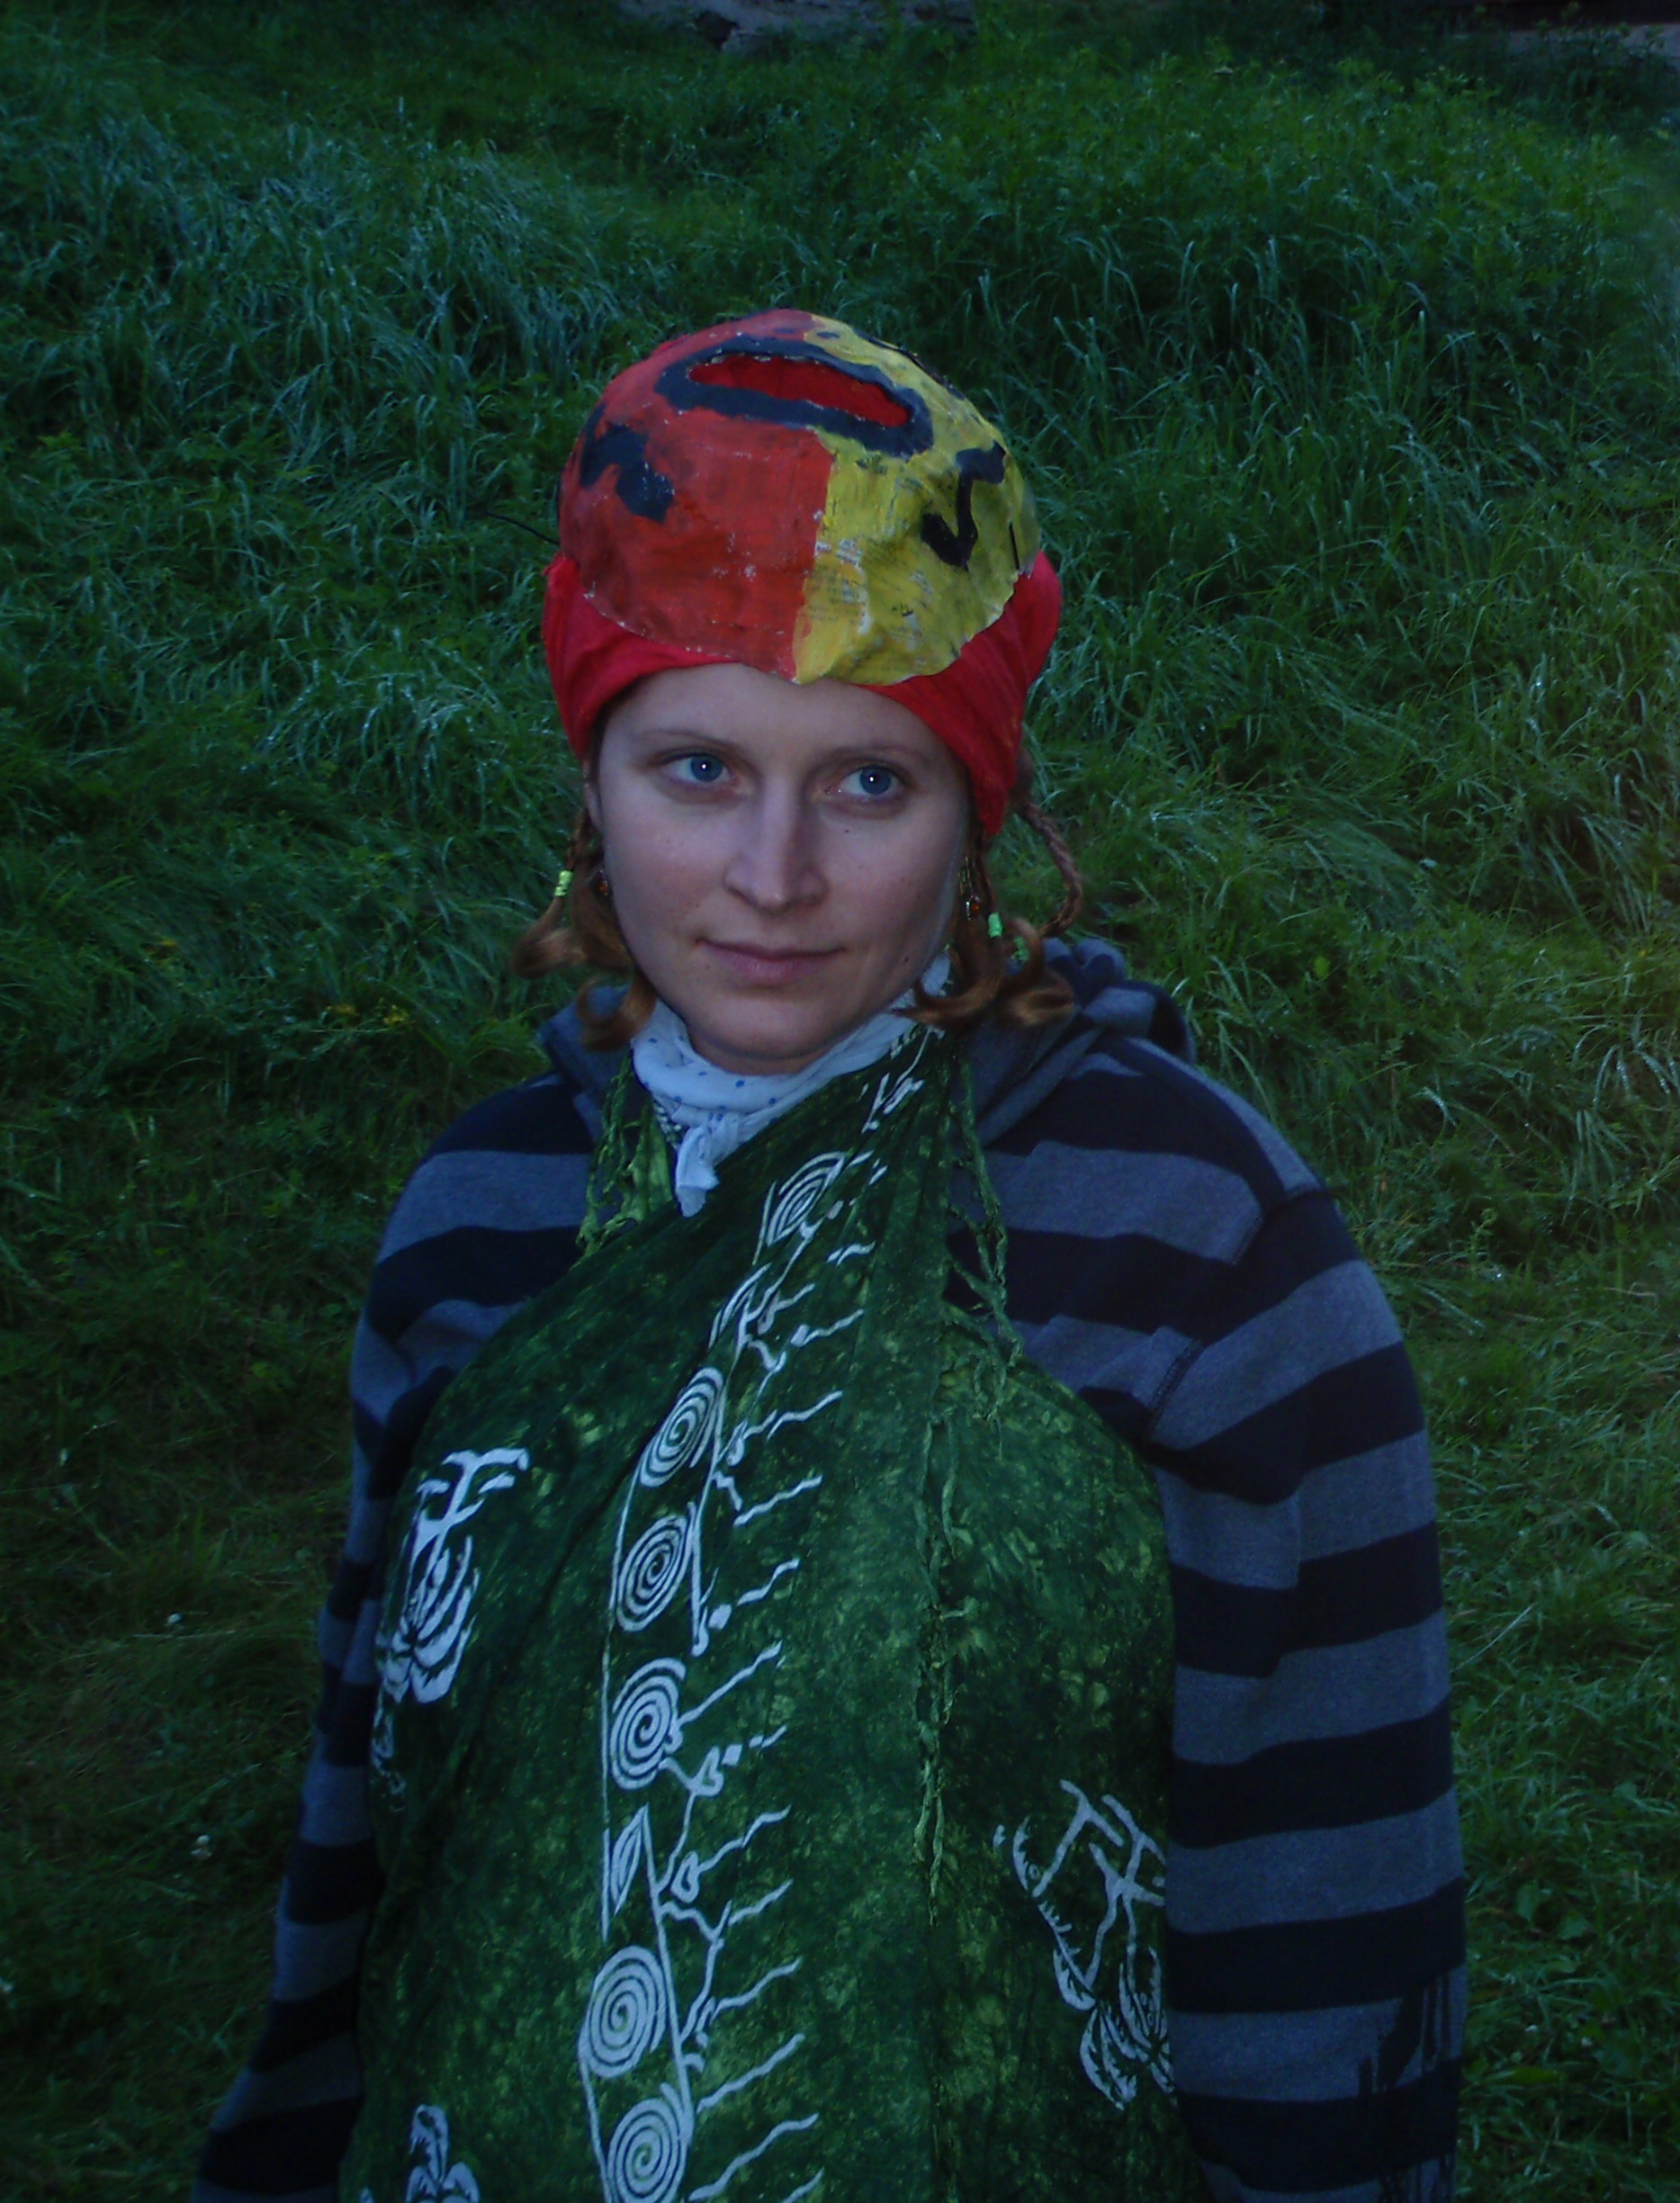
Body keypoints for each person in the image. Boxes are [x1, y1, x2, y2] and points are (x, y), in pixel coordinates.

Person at [195, 310, 1463, 2203]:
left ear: (979, 810)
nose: (773, 877)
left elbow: (1330, 1890)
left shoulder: (1203, 1249)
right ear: (592, 780)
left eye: (870, 783)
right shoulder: (482, 1218)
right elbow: (374, 1826)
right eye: (699, 769)